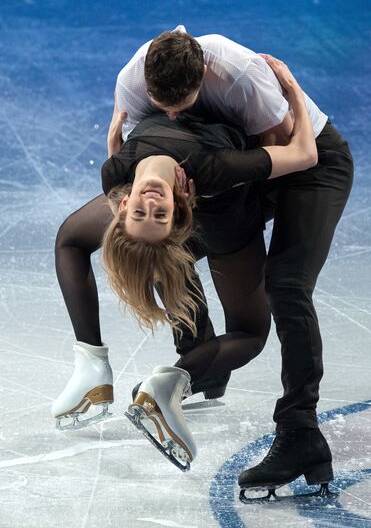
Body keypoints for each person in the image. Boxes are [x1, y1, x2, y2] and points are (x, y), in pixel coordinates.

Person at [54, 27, 353, 493]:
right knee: (156, 253)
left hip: (306, 165)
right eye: (154, 211)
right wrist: (201, 197)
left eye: (144, 209)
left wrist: (290, 88)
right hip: (231, 177)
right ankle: (190, 367)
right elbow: (124, 156)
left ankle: (299, 431)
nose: (149, 203)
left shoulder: (235, 80)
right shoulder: (172, 157)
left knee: (287, 286)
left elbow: (297, 150)